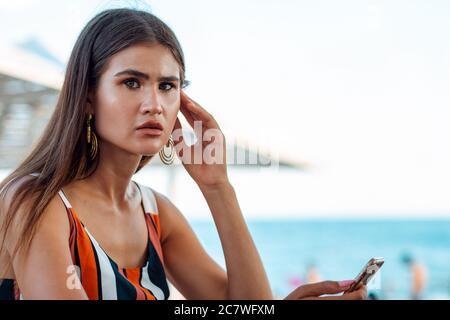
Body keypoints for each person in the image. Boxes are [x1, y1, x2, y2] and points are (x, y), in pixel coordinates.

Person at [0, 8, 367, 300]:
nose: (154, 104)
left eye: (167, 86)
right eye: (132, 82)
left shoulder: (155, 214)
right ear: (87, 97)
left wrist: (218, 188)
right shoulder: (34, 200)